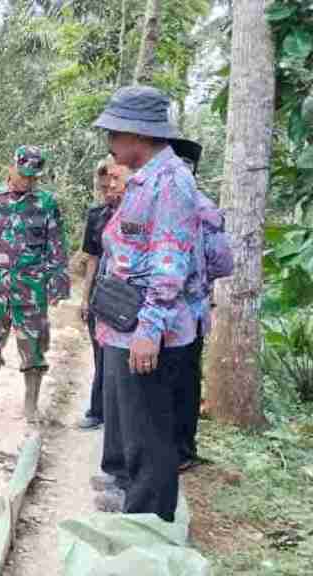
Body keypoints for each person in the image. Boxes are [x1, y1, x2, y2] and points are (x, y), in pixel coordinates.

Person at [90, 86, 201, 523]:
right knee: (136, 431)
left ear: (137, 134)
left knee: (150, 436)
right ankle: (136, 512)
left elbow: (169, 266)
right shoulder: (144, 179)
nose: (110, 144)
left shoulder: (171, 182)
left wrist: (149, 329)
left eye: (113, 134)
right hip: (126, 325)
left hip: (146, 330)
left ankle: (149, 528)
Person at [0, 145, 70, 423]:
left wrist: (58, 282)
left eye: (33, 177)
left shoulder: (46, 203)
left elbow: (56, 245)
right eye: (23, 174)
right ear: (12, 168)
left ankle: (31, 407)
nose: (27, 181)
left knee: (33, 348)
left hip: (31, 289)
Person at [171, 139, 234, 471]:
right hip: (191, 314)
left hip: (168, 315)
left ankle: (172, 451)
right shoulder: (206, 207)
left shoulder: (158, 202)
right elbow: (221, 263)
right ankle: (182, 450)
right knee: (185, 381)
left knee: (166, 382)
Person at [76, 157, 129, 430]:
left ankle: (123, 417)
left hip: (129, 297)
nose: (109, 191)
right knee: (101, 355)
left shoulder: (138, 212)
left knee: (123, 358)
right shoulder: (96, 215)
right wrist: (85, 298)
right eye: (103, 187)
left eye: (113, 184)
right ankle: (98, 410)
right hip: (102, 294)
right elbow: (92, 259)